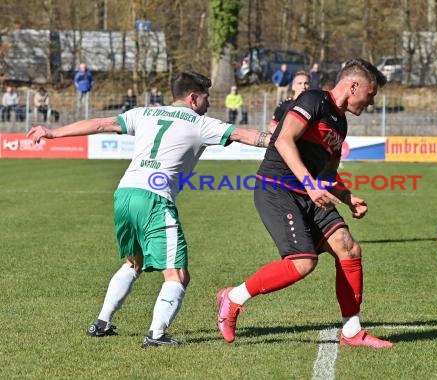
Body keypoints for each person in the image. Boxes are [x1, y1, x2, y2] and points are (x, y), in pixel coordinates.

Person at [26, 71, 272, 347]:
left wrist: (53, 132)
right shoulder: (202, 124)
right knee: (177, 273)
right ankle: (156, 334)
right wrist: (284, 140)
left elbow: (99, 125)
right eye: (206, 98)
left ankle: (102, 323)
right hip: (154, 198)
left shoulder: (143, 113)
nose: (209, 104)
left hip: (125, 193)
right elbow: (244, 135)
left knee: (134, 262)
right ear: (192, 98)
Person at [216, 58, 394, 349]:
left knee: (349, 249)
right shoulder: (313, 99)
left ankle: (352, 332)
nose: (371, 102)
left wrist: (348, 198)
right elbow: (284, 140)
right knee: (302, 263)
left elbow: (328, 174)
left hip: (309, 193)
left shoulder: (341, 123)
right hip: (276, 188)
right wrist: (310, 186)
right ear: (353, 85)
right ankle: (232, 299)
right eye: (371, 94)